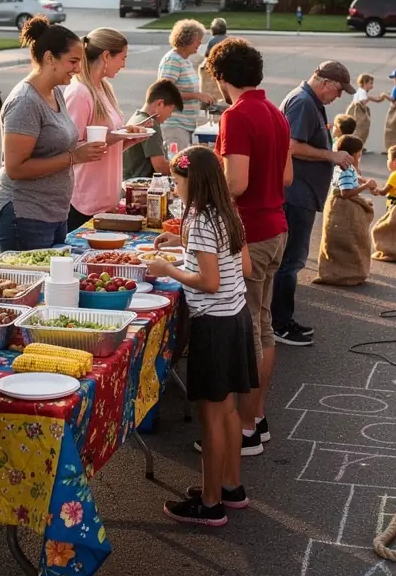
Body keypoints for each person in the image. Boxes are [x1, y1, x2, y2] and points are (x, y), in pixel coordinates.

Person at [145, 147, 256, 527]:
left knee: (210, 419)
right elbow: (243, 264)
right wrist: (183, 246)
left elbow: (209, 281)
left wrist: (168, 269)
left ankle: (210, 505)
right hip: (237, 317)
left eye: (176, 182)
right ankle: (230, 487)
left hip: (214, 326)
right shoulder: (226, 211)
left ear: (192, 182)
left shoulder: (201, 220)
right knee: (228, 411)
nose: (174, 189)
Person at [208, 38, 292, 453]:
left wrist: (205, 193)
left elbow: (236, 183)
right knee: (263, 325)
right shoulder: (275, 111)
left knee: (248, 332)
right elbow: (287, 176)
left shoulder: (236, 115)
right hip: (276, 226)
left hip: (252, 233)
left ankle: (243, 429)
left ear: (221, 77)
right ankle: (255, 418)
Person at [0, 17, 107, 251]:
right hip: (24, 213)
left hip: (53, 212)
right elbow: (15, 168)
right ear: (50, 57)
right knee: (32, 284)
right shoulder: (25, 102)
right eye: (73, 61)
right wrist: (74, 157)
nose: (78, 68)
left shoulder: (56, 93)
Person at [271, 61, 355, 347]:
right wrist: (331, 156)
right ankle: (278, 324)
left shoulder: (308, 100)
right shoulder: (304, 102)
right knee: (290, 261)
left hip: (301, 193)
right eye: (339, 90)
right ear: (327, 84)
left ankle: (282, 319)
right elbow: (292, 146)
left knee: (290, 260)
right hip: (296, 195)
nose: (339, 96)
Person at [64, 28, 137, 229]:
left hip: (106, 198)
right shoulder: (79, 93)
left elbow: (102, 149)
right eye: (122, 57)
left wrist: (127, 139)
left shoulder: (104, 88)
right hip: (84, 200)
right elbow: (71, 150)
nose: (124, 64)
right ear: (106, 56)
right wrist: (113, 137)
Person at [315, 134, 376, 286]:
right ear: (353, 155)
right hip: (343, 208)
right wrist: (366, 186)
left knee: (341, 242)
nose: (360, 156)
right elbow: (346, 192)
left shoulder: (344, 167)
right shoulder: (345, 170)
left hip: (337, 206)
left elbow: (355, 177)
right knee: (347, 241)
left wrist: (364, 181)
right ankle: (345, 273)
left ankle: (338, 271)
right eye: (359, 154)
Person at [157, 19, 213, 152]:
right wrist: (196, 95)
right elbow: (165, 91)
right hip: (175, 124)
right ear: (186, 40)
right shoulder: (172, 60)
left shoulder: (185, 60)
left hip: (186, 124)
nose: (200, 43)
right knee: (178, 163)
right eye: (197, 40)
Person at [122, 79, 184, 179]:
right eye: (171, 110)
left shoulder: (137, 118)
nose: (169, 115)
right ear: (160, 103)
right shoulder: (150, 125)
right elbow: (160, 166)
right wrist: (184, 172)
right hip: (140, 186)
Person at [200, 18, 228, 103]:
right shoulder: (228, 39)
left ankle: (208, 101)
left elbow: (207, 55)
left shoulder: (212, 40)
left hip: (215, 67)